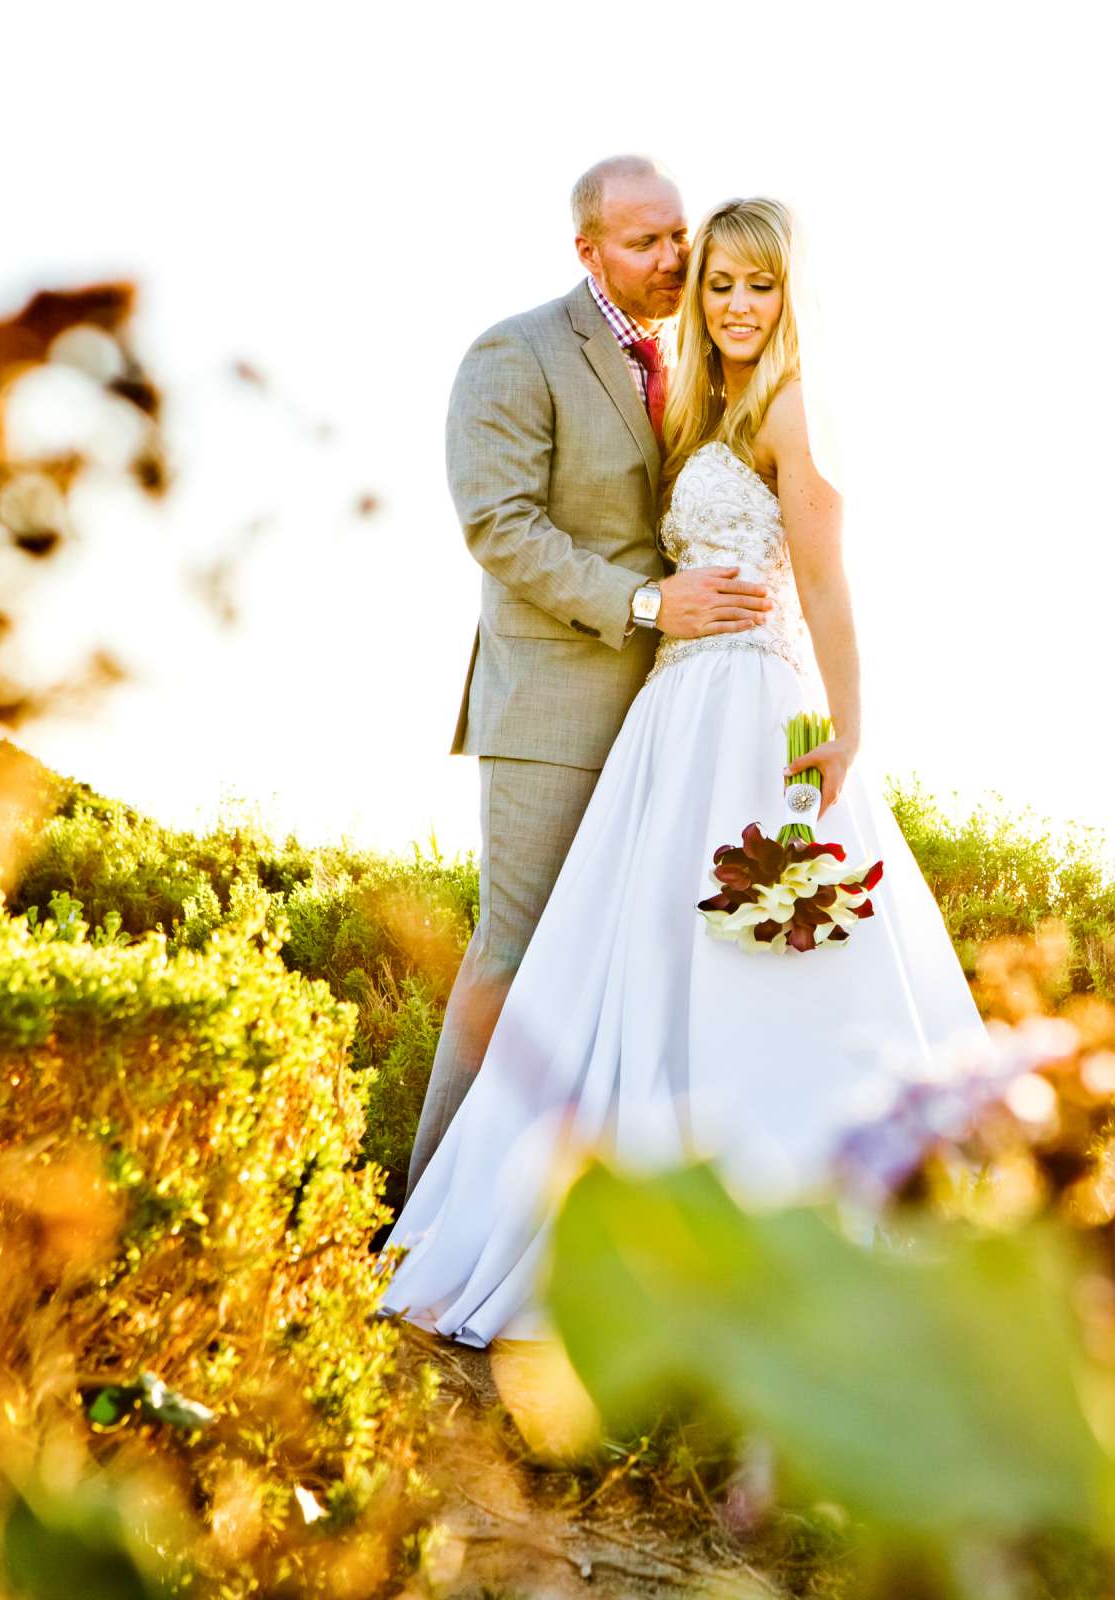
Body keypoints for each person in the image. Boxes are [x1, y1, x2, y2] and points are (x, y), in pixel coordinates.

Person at [381, 194, 987, 1345]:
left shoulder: (792, 409)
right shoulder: (704, 409)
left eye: (761, 285)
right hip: (672, 715)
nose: (738, 304)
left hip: (756, 711)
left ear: (789, 295)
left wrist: (847, 728)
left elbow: (825, 581)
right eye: (720, 283)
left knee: (756, 964)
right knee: (631, 960)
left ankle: (780, 1244)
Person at [406, 155, 775, 1199]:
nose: (674, 258)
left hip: (679, 715)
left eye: (678, 236)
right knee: (518, 959)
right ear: (588, 251)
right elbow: (498, 524)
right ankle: (424, 1221)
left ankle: (571, 1224)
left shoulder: (699, 365)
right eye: (644, 242)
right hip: (554, 709)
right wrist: (651, 605)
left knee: (633, 969)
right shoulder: (515, 351)